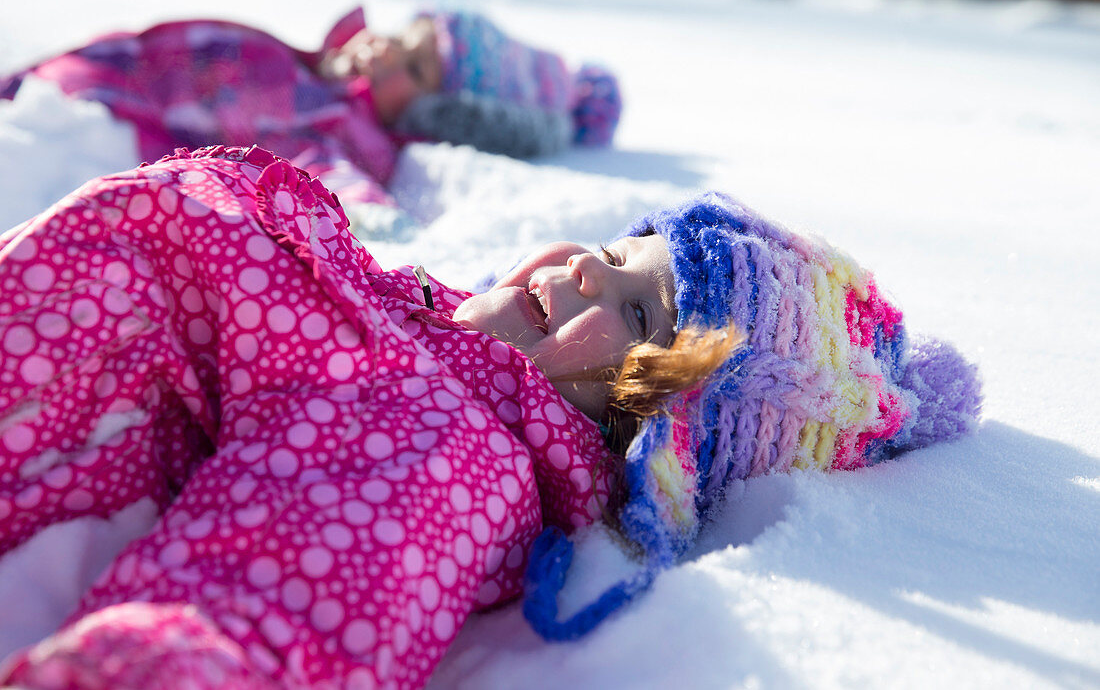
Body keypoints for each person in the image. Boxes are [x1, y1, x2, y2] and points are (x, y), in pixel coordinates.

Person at [0, 147, 980, 687]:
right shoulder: (410, 328)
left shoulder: (443, 446)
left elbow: (259, 618)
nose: (588, 266)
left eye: (639, 312)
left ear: (646, 437)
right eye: (616, 250)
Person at [0, 8, 622, 227]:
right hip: (84, 83)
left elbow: (324, 175)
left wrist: (380, 224)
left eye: (415, 66)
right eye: (402, 37)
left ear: (439, 115)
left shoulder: (337, 122)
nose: (384, 48)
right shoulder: (315, 73)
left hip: (91, 134)